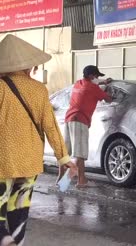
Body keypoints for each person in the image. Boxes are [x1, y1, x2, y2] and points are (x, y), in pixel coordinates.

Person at [0, 34, 78, 246]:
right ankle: (15, 240)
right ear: (28, 66)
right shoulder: (38, 90)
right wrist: (63, 159)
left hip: (3, 160)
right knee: (19, 209)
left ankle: (4, 239)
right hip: (29, 161)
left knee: (0, 209)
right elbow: (50, 126)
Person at [57, 65, 113, 187]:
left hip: (69, 118)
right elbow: (108, 100)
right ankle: (81, 181)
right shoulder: (93, 88)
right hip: (80, 120)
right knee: (80, 153)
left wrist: (102, 82)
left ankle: (61, 180)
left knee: (66, 153)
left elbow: (92, 85)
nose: (97, 78)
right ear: (91, 75)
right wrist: (107, 90)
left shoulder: (78, 83)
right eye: (96, 75)